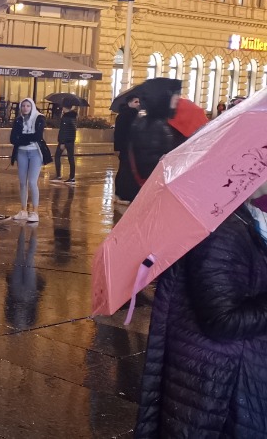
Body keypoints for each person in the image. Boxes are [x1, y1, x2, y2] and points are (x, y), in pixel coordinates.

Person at [135, 180, 267, 437]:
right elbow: (222, 321)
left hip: (221, 379)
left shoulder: (240, 215)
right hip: (217, 388)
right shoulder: (221, 229)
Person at [127, 81, 181, 201]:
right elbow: (153, 162)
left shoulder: (149, 122)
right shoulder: (156, 126)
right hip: (156, 189)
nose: (177, 99)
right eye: (174, 95)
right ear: (162, 99)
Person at [9, 99, 50, 223]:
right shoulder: (18, 120)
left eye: (28, 106)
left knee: (32, 182)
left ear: (32, 107)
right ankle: (23, 210)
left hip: (35, 152)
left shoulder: (39, 118)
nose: (25, 108)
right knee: (22, 182)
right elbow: (13, 138)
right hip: (21, 152)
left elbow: (37, 136)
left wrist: (22, 138)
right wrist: (25, 139)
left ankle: (35, 211)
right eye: (23, 106)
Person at [113, 96, 140, 204]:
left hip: (132, 148)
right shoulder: (124, 116)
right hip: (126, 148)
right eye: (136, 101)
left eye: (139, 102)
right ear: (129, 103)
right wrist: (117, 148)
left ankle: (123, 193)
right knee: (125, 170)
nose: (138, 104)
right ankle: (122, 194)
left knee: (128, 170)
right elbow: (118, 133)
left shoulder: (137, 115)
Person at [52, 101, 78, 184]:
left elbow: (63, 130)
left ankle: (59, 175)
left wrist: (62, 142)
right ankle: (72, 177)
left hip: (65, 140)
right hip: (71, 140)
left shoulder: (66, 117)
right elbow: (73, 129)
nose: (61, 108)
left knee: (57, 156)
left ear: (65, 107)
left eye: (62, 106)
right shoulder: (73, 117)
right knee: (71, 158)